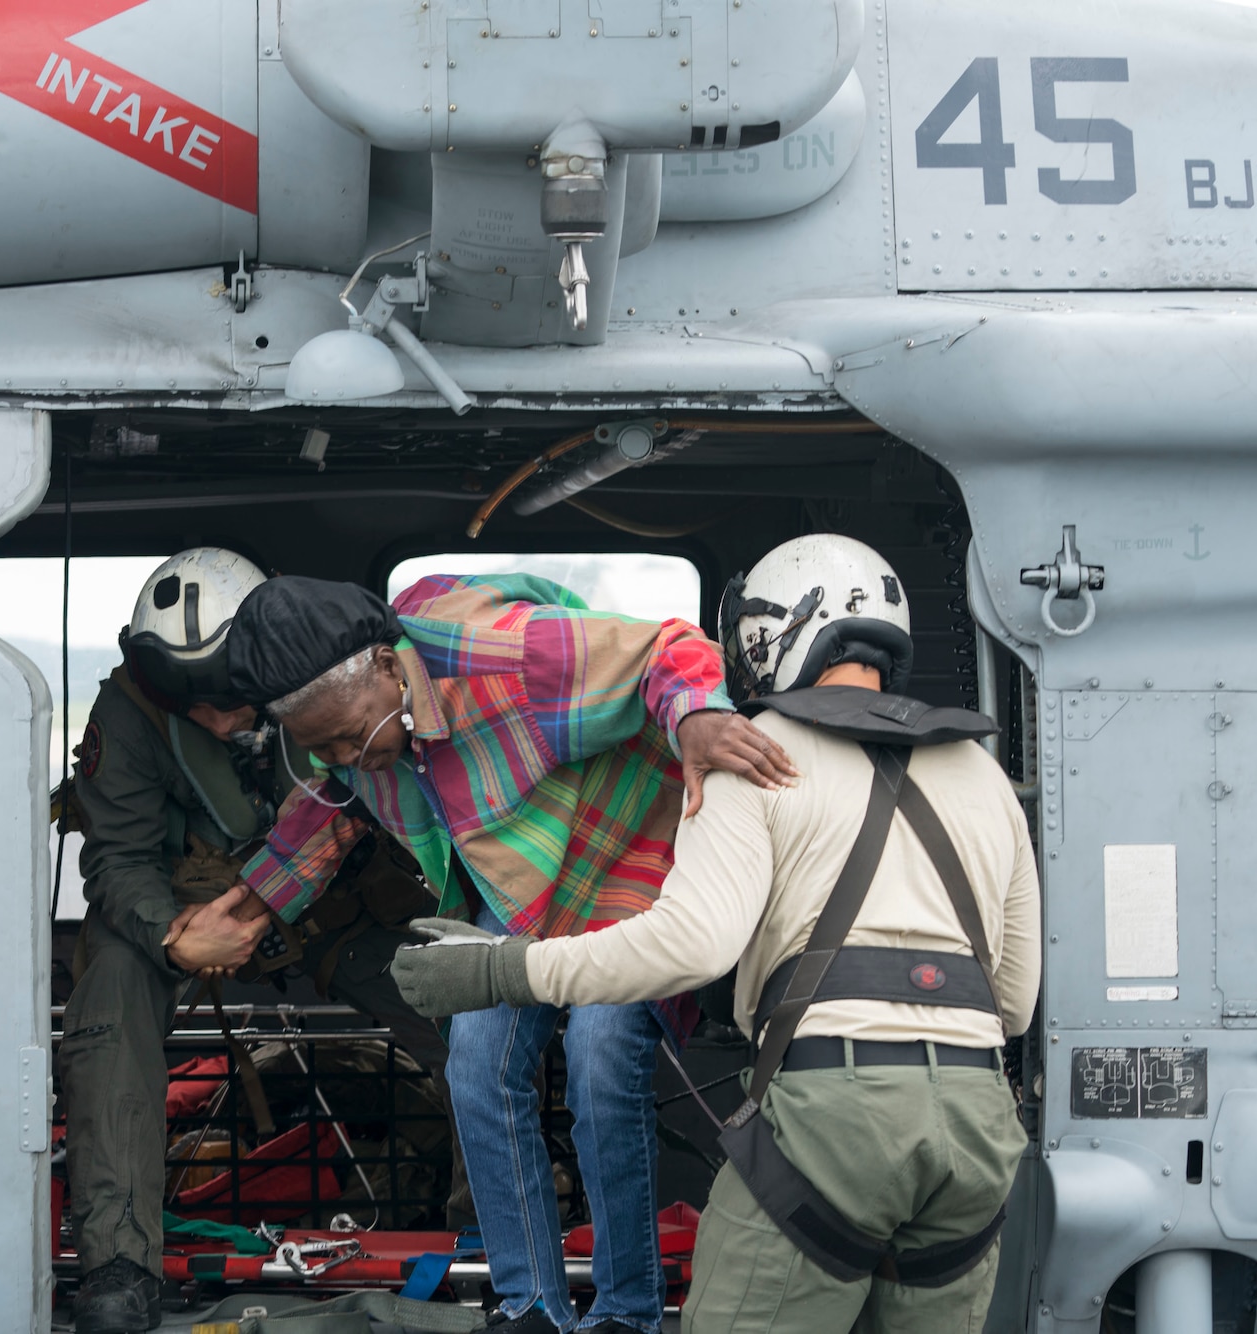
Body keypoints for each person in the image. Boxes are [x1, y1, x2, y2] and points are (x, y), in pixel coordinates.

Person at [390, 535, 1042, 1334]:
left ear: (762, 642)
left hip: (835, 1126)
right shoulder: (983, 774)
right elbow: (1011, 1002)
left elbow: (690, 948)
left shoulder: (755, 756)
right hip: (976, 1136)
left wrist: (504, 973)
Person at [223, 572, 796, 1334]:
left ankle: (627, 1311)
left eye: (346, 736)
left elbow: (669, 648)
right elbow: (326, 809)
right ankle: (530, 1303)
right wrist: (250, 904)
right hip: (524, 872)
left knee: (600, 1051)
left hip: (628, 847)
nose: (342, 757)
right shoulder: (355, 745)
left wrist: (694, 717)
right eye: (319, 745)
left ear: (392, 669)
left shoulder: (502, 657)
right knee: (476, 1060)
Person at [57, 549, 463, 1334]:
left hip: (335, 909)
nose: (214, 718)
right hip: (192, 915)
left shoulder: (332, 686)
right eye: (191, 701)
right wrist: (174, 939)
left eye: (226, 696)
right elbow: (119, 858)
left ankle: (500, 1235)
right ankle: (116, 1266)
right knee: (109, 995)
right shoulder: (132, 716)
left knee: (471, 997)